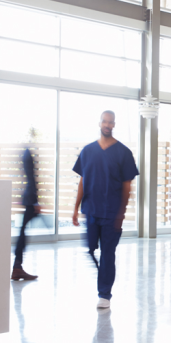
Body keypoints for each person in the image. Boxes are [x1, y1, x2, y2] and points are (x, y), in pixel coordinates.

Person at [72, 110, 139, 309]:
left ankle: (104, 294)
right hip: (91, 210)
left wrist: (121, 214)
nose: (107, 125)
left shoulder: (123, 152)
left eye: (111, 122)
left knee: (108, 253)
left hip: (111, 213)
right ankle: (104, 275)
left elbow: (127, 186)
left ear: (114, 124)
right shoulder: (87, 151)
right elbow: (82, 181)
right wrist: (75, 208)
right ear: (99, 123)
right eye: (104, 121)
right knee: (91, 248)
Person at [11, 129, 41, 281]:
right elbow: (31, 177)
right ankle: (17, 267)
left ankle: (17, 266)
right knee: (23, 232)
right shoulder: (28, 153)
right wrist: (35, 201)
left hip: (29, 198)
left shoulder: (25, 153)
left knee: (23, 231)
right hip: (30, 199)